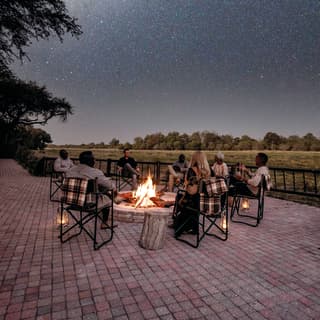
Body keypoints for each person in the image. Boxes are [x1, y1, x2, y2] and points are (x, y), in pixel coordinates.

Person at [66, 151, 118, 229]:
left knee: (99, 189)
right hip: (87, 204)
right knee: (108, 197)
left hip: (70, 201)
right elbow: (110, 186)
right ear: (91, 161)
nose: (95, 161)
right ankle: (104, 223)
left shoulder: (70, 170)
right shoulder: (95, 172)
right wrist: (114, 189)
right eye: (94, 159)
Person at [174, 150, 211, 236]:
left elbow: (191, 191)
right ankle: (194, 227)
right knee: (186, 198)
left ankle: (180, 226)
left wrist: (185, 185)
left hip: (194, 204)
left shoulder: (191, 171)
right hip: (205, 203)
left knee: (179, 196)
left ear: (193, 159)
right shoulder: (209, 171)